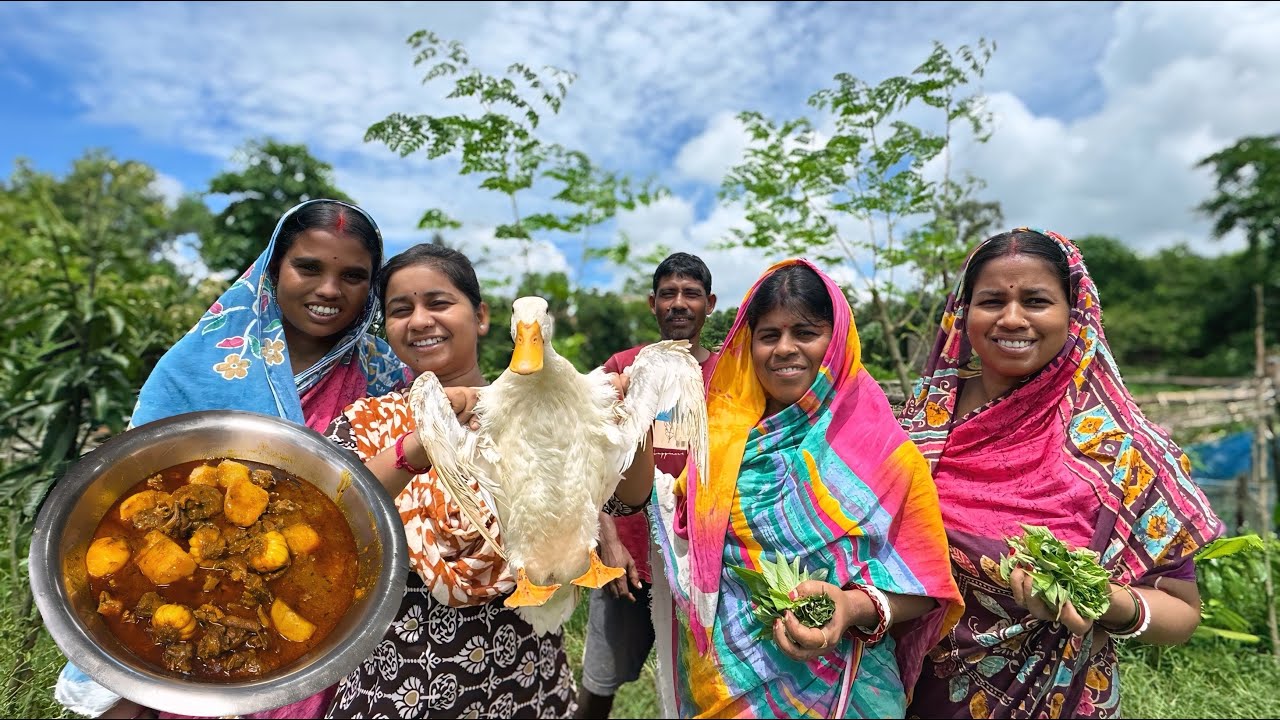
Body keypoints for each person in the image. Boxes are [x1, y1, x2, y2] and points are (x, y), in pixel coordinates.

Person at [53, 199, 410, 720]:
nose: (330, 289)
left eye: (353, 276)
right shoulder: (203, 359)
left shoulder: (384, 374)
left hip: (334, 625)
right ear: (273, 268)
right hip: (185, 604)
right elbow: (124, 481)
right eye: (308, 267)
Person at [899, 228, 1224, 718]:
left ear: (1074, 314)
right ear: (963, 314)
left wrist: (1107, 602)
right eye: (991, 300)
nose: (1012, 318)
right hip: (917, 696)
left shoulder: (1121, 451)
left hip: (1062, 699)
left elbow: (1181, 611)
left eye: (1036, 300)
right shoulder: (917, 431)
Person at [321, 243, 653, 718]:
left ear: (480, 316)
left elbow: (626, 500)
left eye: (438, 303)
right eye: (400, 310)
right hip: (401, 681)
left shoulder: (538, 407)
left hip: (525, 677)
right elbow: (339, 513)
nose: (419, 320)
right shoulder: (370, 421)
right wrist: (424, 439)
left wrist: (632, 422)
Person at [648, 258, 963, 718]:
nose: (785, 349)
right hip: (725, 680)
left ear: (835, 343)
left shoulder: (885, 454)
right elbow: (663, 507)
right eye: (769, 335)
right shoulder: (710, 434)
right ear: (747, 342)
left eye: (806, 332)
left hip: (848, 691)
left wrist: (850, 608)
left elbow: (925, 584)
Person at [576, 252, 719, 719]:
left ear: (710, 303)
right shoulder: (623, 367)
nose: (679, 303)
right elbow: (588, 456)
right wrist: (610, 543)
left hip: (703, 565)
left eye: (691, 294)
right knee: (601, 681)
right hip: (630, 560)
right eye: (668, 294)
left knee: (699, 690)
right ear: (652, 304)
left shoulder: (727, 377)